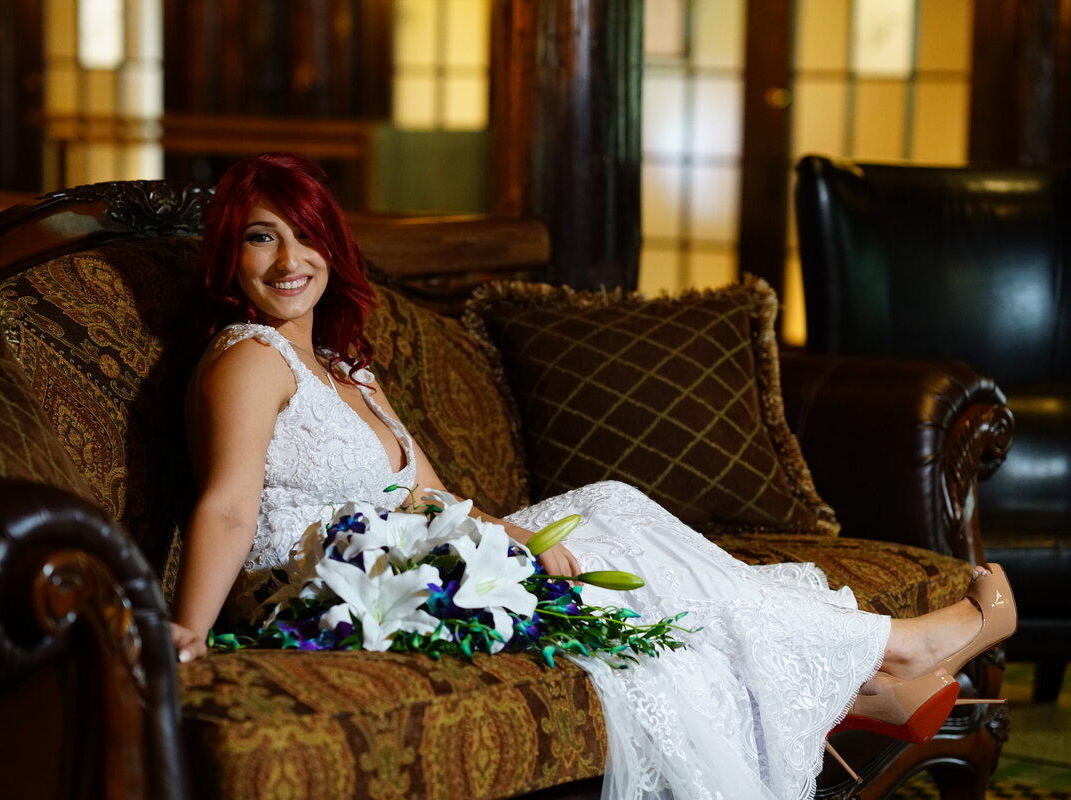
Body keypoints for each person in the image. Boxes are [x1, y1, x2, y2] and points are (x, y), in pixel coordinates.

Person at [169, 152, 1015, 799]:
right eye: (260, 236)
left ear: (332, 248)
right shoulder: (252, 358)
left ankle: (872, 677)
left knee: (611, 509)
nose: (289, 258)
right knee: (613, 540)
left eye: (306, 233)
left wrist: (514, 538)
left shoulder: (348, 371)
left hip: (418, 558)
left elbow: (429, 497)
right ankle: (891, 652)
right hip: (341, 590)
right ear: (229, 258)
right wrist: (189, 635)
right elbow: (228, 506)